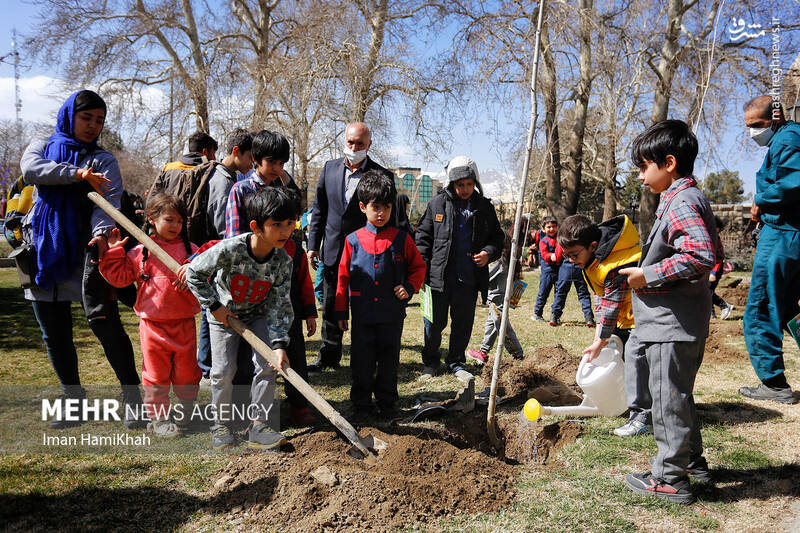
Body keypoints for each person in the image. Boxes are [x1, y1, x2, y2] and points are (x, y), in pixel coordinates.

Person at [19, 89, 143, 429]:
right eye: (86, 117)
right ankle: (74, 401)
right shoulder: (42, 144)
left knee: (106, 323)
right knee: (53, 333)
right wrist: (76, 174)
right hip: (43, 250)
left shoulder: (103, 160)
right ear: (69, 115)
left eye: (99, 121)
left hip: (88, 252)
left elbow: (109, 203)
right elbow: (31, 170)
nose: (92, 126)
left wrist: (101, 235)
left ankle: (133, 399)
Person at [619, 119, 719, 504]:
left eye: (645, 167)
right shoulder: (685, 200)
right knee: (678, 396)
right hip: (683, 321)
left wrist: (649, 275)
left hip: (670, 326)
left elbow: (700, 255)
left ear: (670, 162)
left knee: (665, 401)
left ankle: (669, 478)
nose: (642, 177)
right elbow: (714, 250)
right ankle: (691, 461)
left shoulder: (682, 202)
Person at [186, 186, 295, 450]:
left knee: (268, 366)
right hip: (224, 315)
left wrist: (279, 345)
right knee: (223, 371)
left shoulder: (283, 261)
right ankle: (220, 424)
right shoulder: (231, 249)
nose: (285, 231)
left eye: (290, 223)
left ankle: (258, 424)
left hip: (257, 315)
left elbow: (280, 304)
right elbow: (194, 273)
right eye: (277, 224)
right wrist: (214, 306)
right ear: (257, 226)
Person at [224, 130, 316, 426]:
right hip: (249, 281)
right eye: (271, 162)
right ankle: (243, 412)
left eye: (282, 162)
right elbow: (235, 238)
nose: (277, 168)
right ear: (254, 160)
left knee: (291, 345)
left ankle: (299, 404)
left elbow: (294, 228)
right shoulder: (240, 191)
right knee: (246, 354)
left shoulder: (287, 190)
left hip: (283, 276)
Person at [99, 193, 200, 437]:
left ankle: (186, 408)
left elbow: (207, 278)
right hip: (152, 327)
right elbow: (119, 278)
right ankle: (159, 419)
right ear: (152, 219)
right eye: (169, 220)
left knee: (188, 373)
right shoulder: (140, 253)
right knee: (156, 376)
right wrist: (114, 252)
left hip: (184, 323)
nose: (175, 226)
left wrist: (194, 279)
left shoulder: (192, 251)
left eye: (179, 221)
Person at [306, 122, 397, 373]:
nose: (354, 147)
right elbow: (319, 210)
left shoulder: (382, 176)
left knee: (365, 306)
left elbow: (393, 219)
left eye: (360, 143)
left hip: (367, 254)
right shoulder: (329, 169)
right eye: (350, 142)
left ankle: (365, 355)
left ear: (369, 144)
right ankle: (329, 356)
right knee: (333, 303)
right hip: (334, 249)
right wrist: (313, 245)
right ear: (344, 140)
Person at [335, 172, 426, 418]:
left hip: (391, 316)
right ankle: (362, 404)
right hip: (363, 316)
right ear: (363, 207)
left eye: (386, 207)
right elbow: (342, 278)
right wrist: (341, 311)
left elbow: (419, 267)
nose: (381, 213)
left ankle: (387, 403)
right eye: (375, 207)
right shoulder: (352, 241)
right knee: (361, 363)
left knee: (389, 362)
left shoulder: (402, 239)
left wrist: (408, 286)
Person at [557, 214, 652, 437]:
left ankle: (644, 417)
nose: (571, 260)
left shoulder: (614, 263)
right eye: (566, 255)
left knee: (638, 363)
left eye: (574, 255)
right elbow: (601, 298)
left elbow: (611, 304)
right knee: (622, 361)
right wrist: (600, 334)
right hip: (626, 318)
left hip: (640, 319)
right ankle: (628, 403)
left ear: (592, 246)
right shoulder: (595, 259)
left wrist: (601, 339)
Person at [415, 156, 505, 380]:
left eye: (469, 184)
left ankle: (456, 362)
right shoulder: (437, 204)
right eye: (459, 184)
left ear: (475, 183)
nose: (464, 189)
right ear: (451, 184)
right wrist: (423, 271)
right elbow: (423, 237)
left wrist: (488, 252)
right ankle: (431, 361)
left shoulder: (484, 207)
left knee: (463, 323)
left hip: (468, 278)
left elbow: (497, 238)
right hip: (438, 277)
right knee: (434, 323)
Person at [740, 95, 800, 405]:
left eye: (758, 126)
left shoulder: (787, 139)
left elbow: (794, 181)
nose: (753, 133)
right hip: (791, 234)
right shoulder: (791, 138)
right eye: (748, 127)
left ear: (775, 118)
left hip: (782, 234)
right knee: (791, 311)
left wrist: (761, 201)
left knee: (762, 307)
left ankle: (774, 383)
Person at [194, 129, 255, 380]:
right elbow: (223, 227)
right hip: (217, 258)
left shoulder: (228, 177)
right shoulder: (223, 181)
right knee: (212, 315)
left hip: (220, 256)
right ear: (236, 152)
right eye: (251, 157)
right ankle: (207, 368)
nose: (252, 164)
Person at [467, 231, 524, 364]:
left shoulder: (500, 260)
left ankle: (518, 354)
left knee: (503, 327)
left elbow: (488, 277)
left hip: (498, 299)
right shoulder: (510, 257)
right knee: (491, 325)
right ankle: (483, 351)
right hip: (501, 297)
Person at [531, 216, 562, 324]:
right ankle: (537, 313)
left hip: (559, 271)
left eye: (554, 226)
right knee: (543, 292)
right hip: (547, 271)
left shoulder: (560, 240)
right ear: (543, 229)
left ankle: (555, 315)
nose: (551, 229)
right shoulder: (543, 241)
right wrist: (550, 256)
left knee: (558, 293)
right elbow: (544, 254)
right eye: (548, 227)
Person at [552, 255, 595, 327]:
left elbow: (558, 253)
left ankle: (554, 316)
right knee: (583, 294)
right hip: (579, 266)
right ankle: (589, 317)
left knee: (561, 293)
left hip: (566, 266)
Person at [708, 216, 734, 320]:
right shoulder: (709, 237)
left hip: (715, 269)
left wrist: (713, 273)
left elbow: (719, 258)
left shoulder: (715, 239)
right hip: (709, 269)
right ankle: (711, 315)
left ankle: (724, 305)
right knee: (708, 292)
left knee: (707, 291)